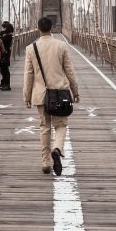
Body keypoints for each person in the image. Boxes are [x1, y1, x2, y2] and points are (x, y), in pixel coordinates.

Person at [23, 17, 79, 176]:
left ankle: (46, 162)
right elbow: (70, 71)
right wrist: (75, 91)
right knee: (61, 125)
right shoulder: (61, 46)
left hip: (41, 95)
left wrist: (27, 96)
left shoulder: (31, 48)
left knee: (44, 128)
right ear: (52, 28)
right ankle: (57, 149)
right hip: (60, 93)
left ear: (38, 28)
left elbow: (28, 74)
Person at [0, 21, 14, 91]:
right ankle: (3, 83)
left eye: (4, 28)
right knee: (3, 69)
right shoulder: (7, 35)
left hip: (5, 54)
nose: (3, 29)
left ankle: (7, 85)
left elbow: (1, 40)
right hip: (5, 54)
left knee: (5, 70)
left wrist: (1, 33)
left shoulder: (8, 36)